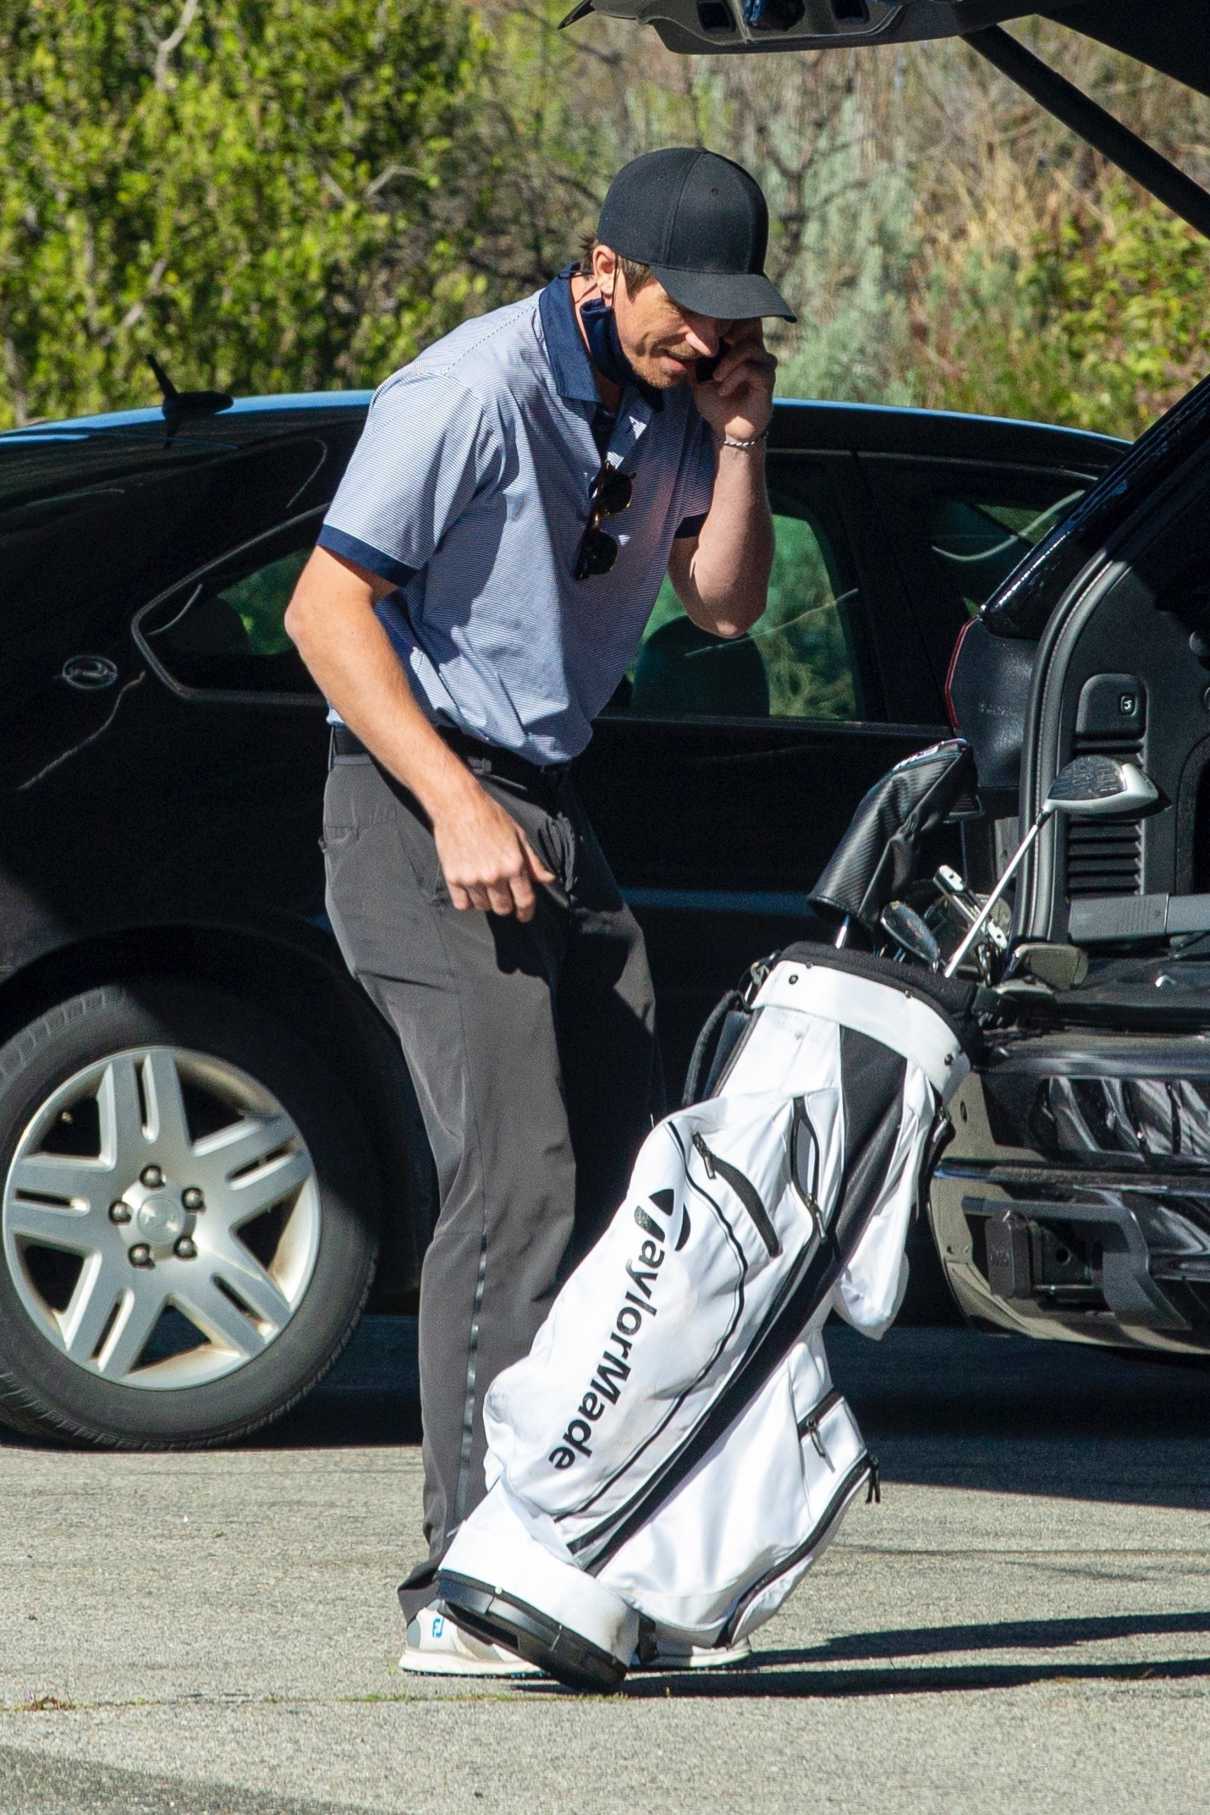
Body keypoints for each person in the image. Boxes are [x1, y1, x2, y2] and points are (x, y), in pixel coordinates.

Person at [284, 146, 794, 1675]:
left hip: (553, 806)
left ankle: (586, 1537)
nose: (699, 339)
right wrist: (453, 803)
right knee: (515, 1175)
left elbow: (723, 602)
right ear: (602, 267)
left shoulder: (676, 400)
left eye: (727, 320)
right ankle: (464, 1580)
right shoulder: (465, 393)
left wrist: (746, 442)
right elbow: (325, 611)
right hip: (414, 800)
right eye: (677, 311)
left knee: (635, 1163)